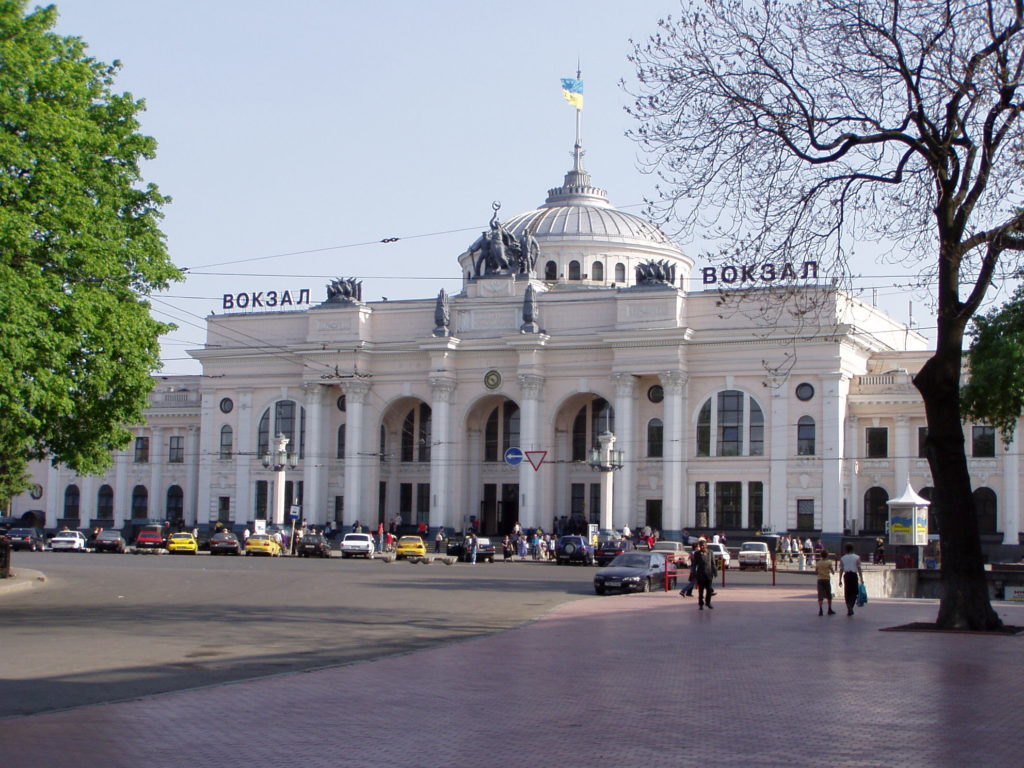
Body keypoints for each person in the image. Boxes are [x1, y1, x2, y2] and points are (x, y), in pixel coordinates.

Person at [691, 539, 718, 609]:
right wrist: (693, 573)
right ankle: (701, 604)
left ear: (706, 545)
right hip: (700, 575)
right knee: (701, 591)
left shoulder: (710, 552)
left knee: (709, 590)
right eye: (701, 546)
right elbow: (694, 564)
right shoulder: (697, 553)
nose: (702, 547)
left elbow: (713, 563)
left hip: (709, 574)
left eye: (703, 545)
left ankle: (708, 602)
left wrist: (715, 572)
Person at [839, 544, 865, 616]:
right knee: (854, 592)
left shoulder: (843, 558)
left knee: (847, 592)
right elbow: (859, 568)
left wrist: (840, 580)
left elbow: (841, 569)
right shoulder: (857, 557)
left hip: (846, 576)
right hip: (853, 576)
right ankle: (850, 606)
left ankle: (849, 606)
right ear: (852, 549)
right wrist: (861, 579)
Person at [815, 550, 837, 615]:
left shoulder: (818, 562)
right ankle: (829, 609)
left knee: (820, 595)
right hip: (826, 579)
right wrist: (832, 572)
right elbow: (832, 571)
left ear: (821, 555)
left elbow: (816, 571)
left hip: (820, 580)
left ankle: (820, 609)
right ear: (827, 555)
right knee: (828, 595)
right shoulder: (829, 562)